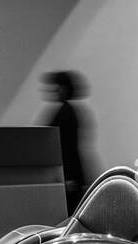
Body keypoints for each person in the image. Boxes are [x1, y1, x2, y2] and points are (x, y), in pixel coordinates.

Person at [40, 71, 90, 210]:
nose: (55, 91)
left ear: (65, 88)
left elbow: (67, 148)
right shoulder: (70, 111)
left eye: (58, 87)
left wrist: (68, 178)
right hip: (72, 175)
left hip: (69, 176)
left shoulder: (65, 113)